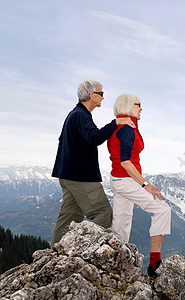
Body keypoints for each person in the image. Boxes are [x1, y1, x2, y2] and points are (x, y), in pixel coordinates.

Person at [51, 80, 135, 247]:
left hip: (67, 175)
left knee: (70, 215)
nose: (103, 97)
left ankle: (56, 252)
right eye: (101, 93)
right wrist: (116, 123)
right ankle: (81, 248)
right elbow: (94, 137)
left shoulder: (75, 114)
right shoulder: (80, 115)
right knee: (103, 213)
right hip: (81, 177)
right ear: (91, 95)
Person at [107, 93, 171, 277]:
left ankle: (116, 262)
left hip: (118, 179)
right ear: (127, 106)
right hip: (126, 180)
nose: (141, 108)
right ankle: (154, 264)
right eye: (138, 105)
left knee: (122, 220)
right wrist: (146, 185)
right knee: (162, 210)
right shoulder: (127, 128)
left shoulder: (121, 124)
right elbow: (126, 162)